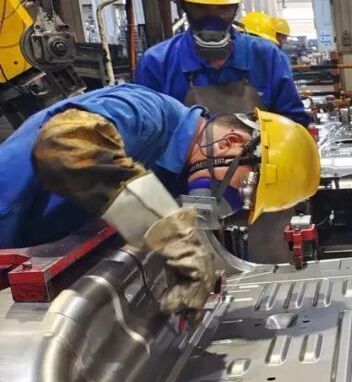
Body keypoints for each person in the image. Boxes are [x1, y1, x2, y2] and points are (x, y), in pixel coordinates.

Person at [0, 84, 320, 315]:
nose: (233, 203)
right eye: (247, 187)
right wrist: (171, 236)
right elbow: (66, 146)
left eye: (246, 203)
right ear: (232, 143)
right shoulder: (146, 112)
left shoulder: (175, 176)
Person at [134, 0, 308, 125]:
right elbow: (147, 135)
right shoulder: (157, 64)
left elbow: (294, 127)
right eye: (201, 8)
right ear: (182, 4)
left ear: (236, 6)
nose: (213, 19)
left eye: (223, 8)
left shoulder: (267, 57)